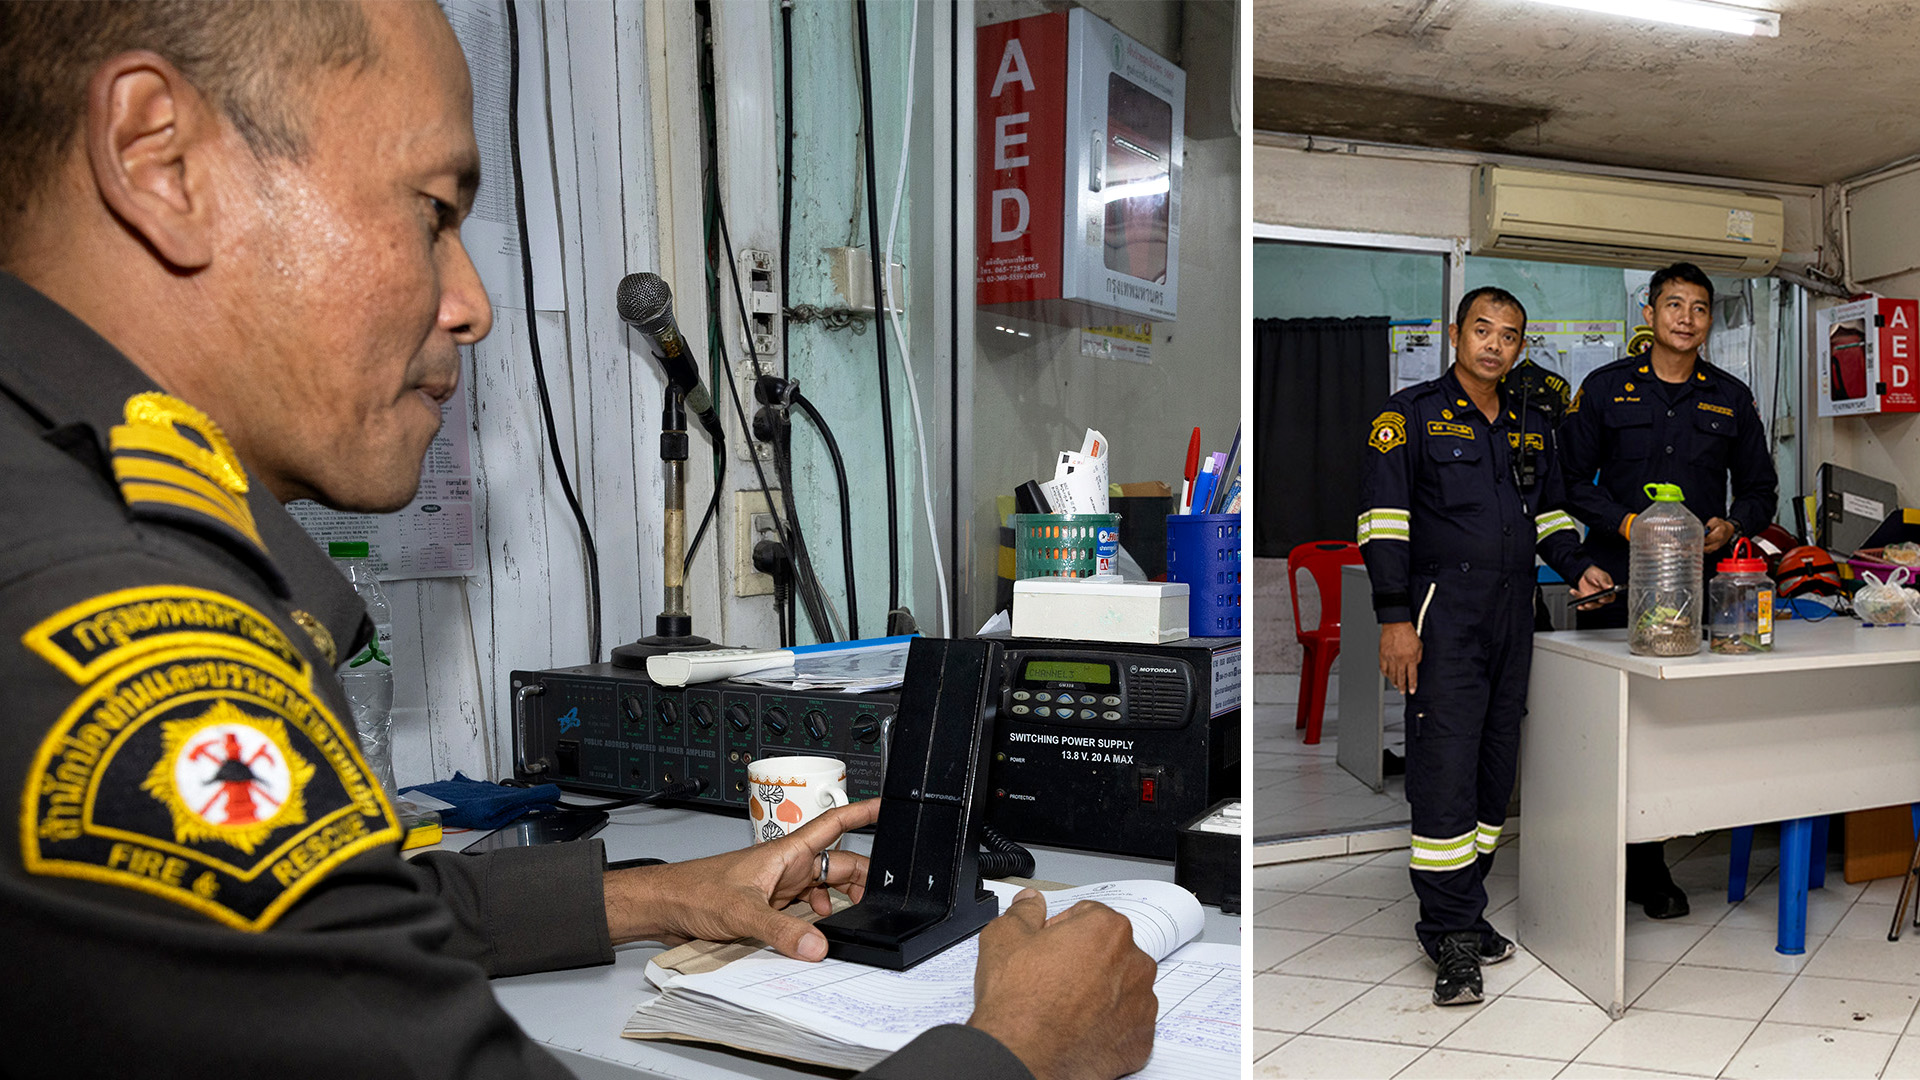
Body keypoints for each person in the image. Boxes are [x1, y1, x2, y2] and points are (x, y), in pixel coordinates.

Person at [0, 4, 1157, 1078]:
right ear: (161, 160)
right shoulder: (132, 637)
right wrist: (1014, 1052)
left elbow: (314, 912)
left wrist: (657, 896)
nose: (472, 302)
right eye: (434, 213)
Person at [1357, 287, 1612, 1006]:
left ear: (1521, 347)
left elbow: (1553, 510)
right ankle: (1452, 934)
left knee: (1496, 770)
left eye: (1508, 335)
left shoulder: (1534, 422)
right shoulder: (1405, 417)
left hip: (1514, 612)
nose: (1494, 344)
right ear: (1454, 333)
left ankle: (1458, 908)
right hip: (1444, 613)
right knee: (1443, 770)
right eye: (1482, 330)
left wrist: (1577, 566)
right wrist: (1394, 618)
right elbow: (1383, 524)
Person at [1558, 261, 1780, 920]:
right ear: (1649, 315)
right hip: (1615, 582)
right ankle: (1607, 859)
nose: (1686, 317)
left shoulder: (1731, 398)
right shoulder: (1604, 389)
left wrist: (1731, 524)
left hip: (1699, 592)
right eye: (1674, 305)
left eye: (1700, 308)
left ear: (1709, 321)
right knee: (1611, 730)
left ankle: (1651, 859)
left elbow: (1762, 488)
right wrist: (1626, 523)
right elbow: (1570, 481)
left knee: (1672, 729)